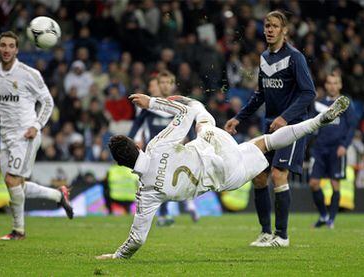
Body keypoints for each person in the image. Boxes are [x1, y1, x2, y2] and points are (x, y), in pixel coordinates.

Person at [96, 92, 349, 259]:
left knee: (266, 144)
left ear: (123, 166)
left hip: (227, 177)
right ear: (137, 146)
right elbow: (184, 114)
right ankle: (318, 121)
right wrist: (152, 102)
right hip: (216, 145)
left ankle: (316, 122)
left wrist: (118, 256)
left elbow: (137, 239)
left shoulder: (146, 193)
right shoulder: (155, 146)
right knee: (203, 117)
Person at [224, 11, 316, 247]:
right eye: (267, 25)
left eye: (275, 26)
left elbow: (309, 93)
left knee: (278, 174)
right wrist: (239, 118)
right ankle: (266, 233)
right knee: (258, 176)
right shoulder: (264, 57)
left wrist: (286, 118)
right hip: (270, 126)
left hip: (292, 126)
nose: (270, 30)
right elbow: (261, 94)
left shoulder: (295, 58)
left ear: (284, 30)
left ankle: (282, 236)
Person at [0, 31, 74, 240]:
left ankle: (18, 231)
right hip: (5, 137)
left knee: (12, 180)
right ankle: (58, 195)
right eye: (3, 45)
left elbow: (48, 101)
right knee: (15, 184)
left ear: (17, 49)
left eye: (11, 46)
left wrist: (36, 125)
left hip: (26, 135)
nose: (6, 49)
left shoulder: (28, 74)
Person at [128, 71, 198, 226]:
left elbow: (188, 125)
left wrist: (194, 142)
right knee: (155, 183)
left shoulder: (180, 106)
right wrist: (130, 139)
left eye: (169, 82)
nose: (166, 85)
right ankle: (177, 207)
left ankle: (167, 212)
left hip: (173, 150)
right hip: (152, 151)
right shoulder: (151, 105)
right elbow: (137, 124)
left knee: (164, 182)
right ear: (158, 85)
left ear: (173, 85)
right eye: (163, 83)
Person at [309, 74, 357, 229]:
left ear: (340, 85)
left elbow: (351, 126)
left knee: (335, 184)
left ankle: (331, 220)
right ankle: (323, 215)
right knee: (314, 183)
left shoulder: (345, 104)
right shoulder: (318, 105)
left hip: (336, 149)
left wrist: (344, 145)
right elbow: (311, 125)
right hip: (320, 148)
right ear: (325, 85)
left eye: (335, 83)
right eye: (329, 83)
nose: (332, 86)